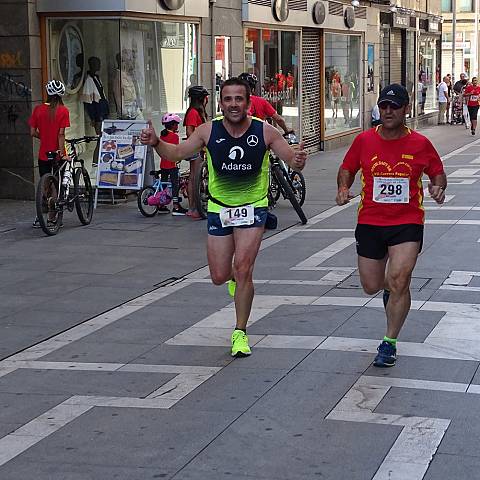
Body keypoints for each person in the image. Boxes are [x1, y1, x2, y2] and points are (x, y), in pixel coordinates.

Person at [140, 77, 307, 358]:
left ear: (248, 102)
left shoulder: (265, 132)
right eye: (228, 99)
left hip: (253, 207)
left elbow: (291, 158)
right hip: (219, 208)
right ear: (220, 102)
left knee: (243, 268)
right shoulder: (208, 131)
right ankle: (231, 278)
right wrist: (156, 143)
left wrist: (298, 160)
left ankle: (240, 332)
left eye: (239, 99)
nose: (233, 104)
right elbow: (178, 152)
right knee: (219, 275)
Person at [335, 84, 446, 368]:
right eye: (384, 106)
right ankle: (391, 290)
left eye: (394, 106)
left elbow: (437, 172)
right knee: (372, 285)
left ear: (406, 109)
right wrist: (342, 187)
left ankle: (389, 342)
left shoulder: (420, 143)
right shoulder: (364, 140)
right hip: (370, 221)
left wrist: (438, 188)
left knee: (399, 279)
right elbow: (347, 167)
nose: (388, 111)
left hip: (407, 222)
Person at [29, 80, 70, 228]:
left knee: (45, 185)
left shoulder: (38, 109)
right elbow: (61, 135)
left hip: (43, 154)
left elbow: (32, 132)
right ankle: (52, 218)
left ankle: (39, 216)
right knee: (56, 186)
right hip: (57, 154)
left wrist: (44, 137)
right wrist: (61, 153)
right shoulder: (63, 111)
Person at [184, 85, 209, 219]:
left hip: (198, 147)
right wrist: (198, 145)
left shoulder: (197, 112)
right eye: (205, 98)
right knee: (194, 177)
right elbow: (189, 131)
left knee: (196, 177)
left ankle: (194, 207)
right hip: (195, 148)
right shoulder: (193, 112)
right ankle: (193, 208)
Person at [158, 113, 188, 216]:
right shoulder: (174, 136)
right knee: (175, 184)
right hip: (172, 164)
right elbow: (176, 150)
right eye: (177, 124)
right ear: (173, 125)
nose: (177, 126)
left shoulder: (162, 135)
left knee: (164, 184)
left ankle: (161, 205)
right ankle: (176, 206)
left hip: (163, 164)